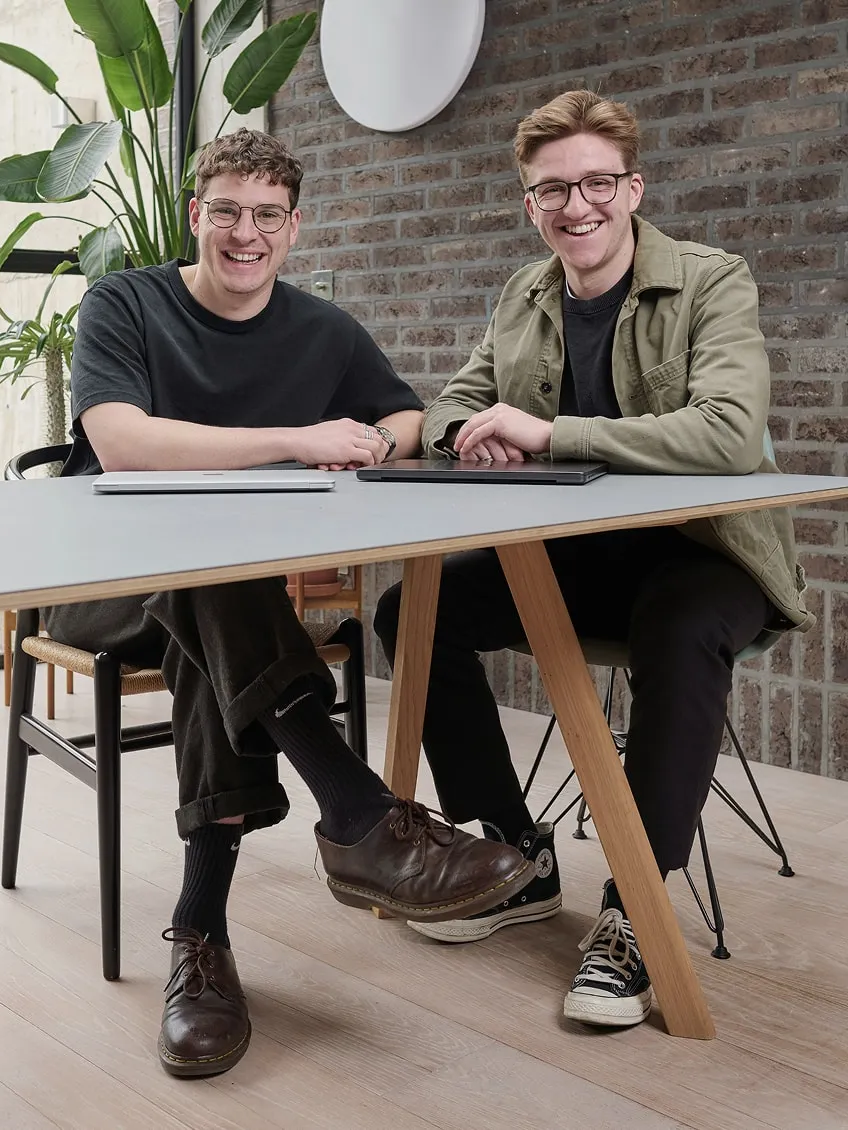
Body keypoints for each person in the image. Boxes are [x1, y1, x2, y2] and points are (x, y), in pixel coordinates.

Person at [46, 128, 535, 1076]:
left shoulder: (324, 328)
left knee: (217, 609)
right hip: (102, 585)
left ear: (294, 227)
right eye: (226, 211)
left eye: (267, 216)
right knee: (209, 578)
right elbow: (123, 445)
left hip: (213, 608)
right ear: (197, 216)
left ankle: (202, 940)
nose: (245, 232)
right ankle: (355, 815)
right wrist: (295, 440)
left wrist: (370, 445)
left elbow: (403, 416)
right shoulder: (125, 303)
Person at [374, 90, 807, 1029]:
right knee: (411, 612)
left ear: (633, 187)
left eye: (597, 183)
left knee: (683, 625)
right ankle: (517, 856)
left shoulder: (711, 279)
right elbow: (452, 402)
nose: (578, 207)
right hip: (576, 557)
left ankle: (634, 917)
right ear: (530, 204)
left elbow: (730, 433)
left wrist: (549, 431)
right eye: (553, 191)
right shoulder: (523, 294)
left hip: (709, 552)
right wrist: (471, 436)